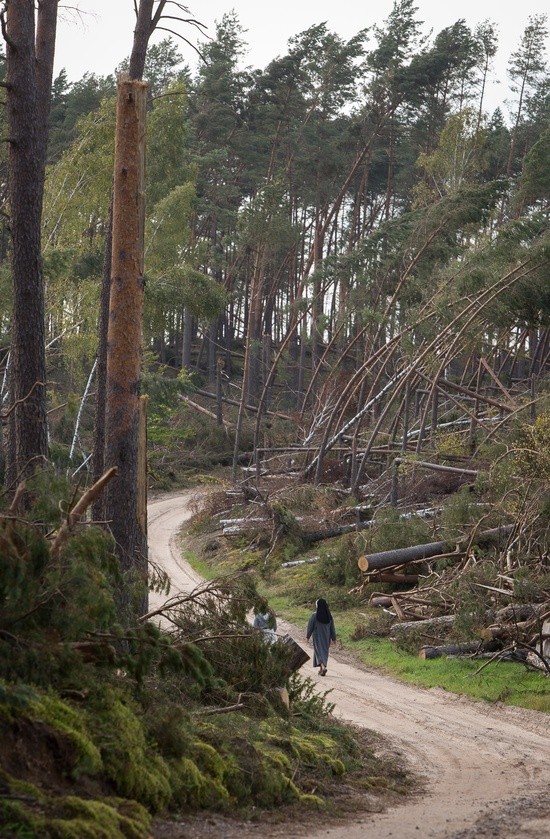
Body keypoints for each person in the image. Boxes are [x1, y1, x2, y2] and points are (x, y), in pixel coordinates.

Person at [306, 598, 336, 676]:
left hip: (317, 637)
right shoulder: (329, 616)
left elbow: (310, 627)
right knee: (324, 652)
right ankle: (321, 670)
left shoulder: (314, 615)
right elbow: (332, 628)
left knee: (318, 652)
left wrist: (307, 636)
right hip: (327, 638)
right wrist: (334, 638)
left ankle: (323, 667)